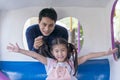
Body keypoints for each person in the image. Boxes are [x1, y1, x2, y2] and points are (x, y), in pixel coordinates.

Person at [7, 38, 118, 80]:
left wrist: (106, 53)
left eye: (63, 50)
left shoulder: (71, 62)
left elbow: (88, 56)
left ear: (67, 50)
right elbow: (35, 55)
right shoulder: (50, 62)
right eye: (57, 51)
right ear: (52, 52)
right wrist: (20, 50)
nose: (60, 54)